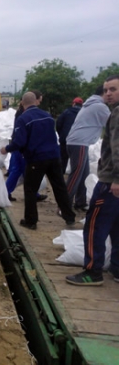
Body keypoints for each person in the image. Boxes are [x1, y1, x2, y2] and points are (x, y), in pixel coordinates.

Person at [66, 75, 119, 286]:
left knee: (95, 225)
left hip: (109, 182)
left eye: (113, 89)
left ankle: (93, 271)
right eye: (106, 90)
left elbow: (117, 149)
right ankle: (116, 268)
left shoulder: (116, 113)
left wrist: (116, 179)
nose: (108, 94)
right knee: (117, 226)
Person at [1, 92, 76, 230]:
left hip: (36, 158)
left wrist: (7, 149)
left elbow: (20, 141)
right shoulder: (47, 116)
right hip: (54, 156)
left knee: (30, 189)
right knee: (59, 187)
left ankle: (31, 221)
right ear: (36, 101)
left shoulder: (23, 119)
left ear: (22, 103)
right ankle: (69, 216)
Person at [65, 86, 110, 212]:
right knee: (76, 175)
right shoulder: (100, 106)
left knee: (84, 175)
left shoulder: (89, 104)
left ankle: (80, 202)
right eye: (108, 91)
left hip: (76, 142)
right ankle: (64, 205)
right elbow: (112, 124)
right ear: (103, 93)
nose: (110, 95)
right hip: (79, 143)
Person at [56, 97, 83, 173]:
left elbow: (58, 124)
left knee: (63, 158)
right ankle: (75, 174)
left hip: (65, 139)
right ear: (81, 105)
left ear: (73, 104)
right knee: (76, 160)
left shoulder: (66, 112)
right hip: (78, 140)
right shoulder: (83, 113)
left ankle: (61, 173)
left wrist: (61, 134)